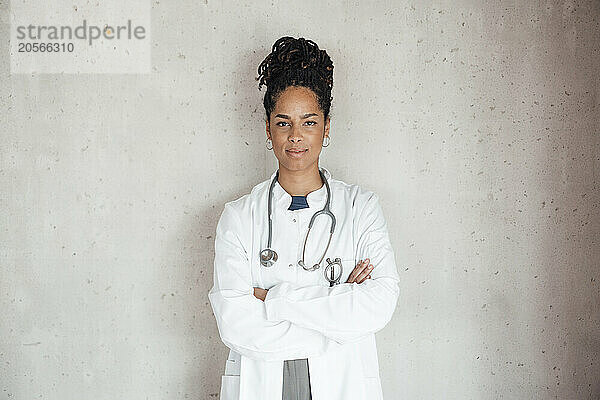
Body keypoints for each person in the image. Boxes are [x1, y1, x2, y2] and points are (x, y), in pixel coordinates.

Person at [208, 36, 400, 400]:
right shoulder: (238, 218)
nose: (296, 136)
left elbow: (378, 305)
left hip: (341, 382)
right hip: (261, 383)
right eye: (283, 123)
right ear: (268, 129)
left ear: (326, 128)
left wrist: (274, 300)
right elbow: (235, 324)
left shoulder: (361, 208)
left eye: (309, 122)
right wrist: (337, 308)